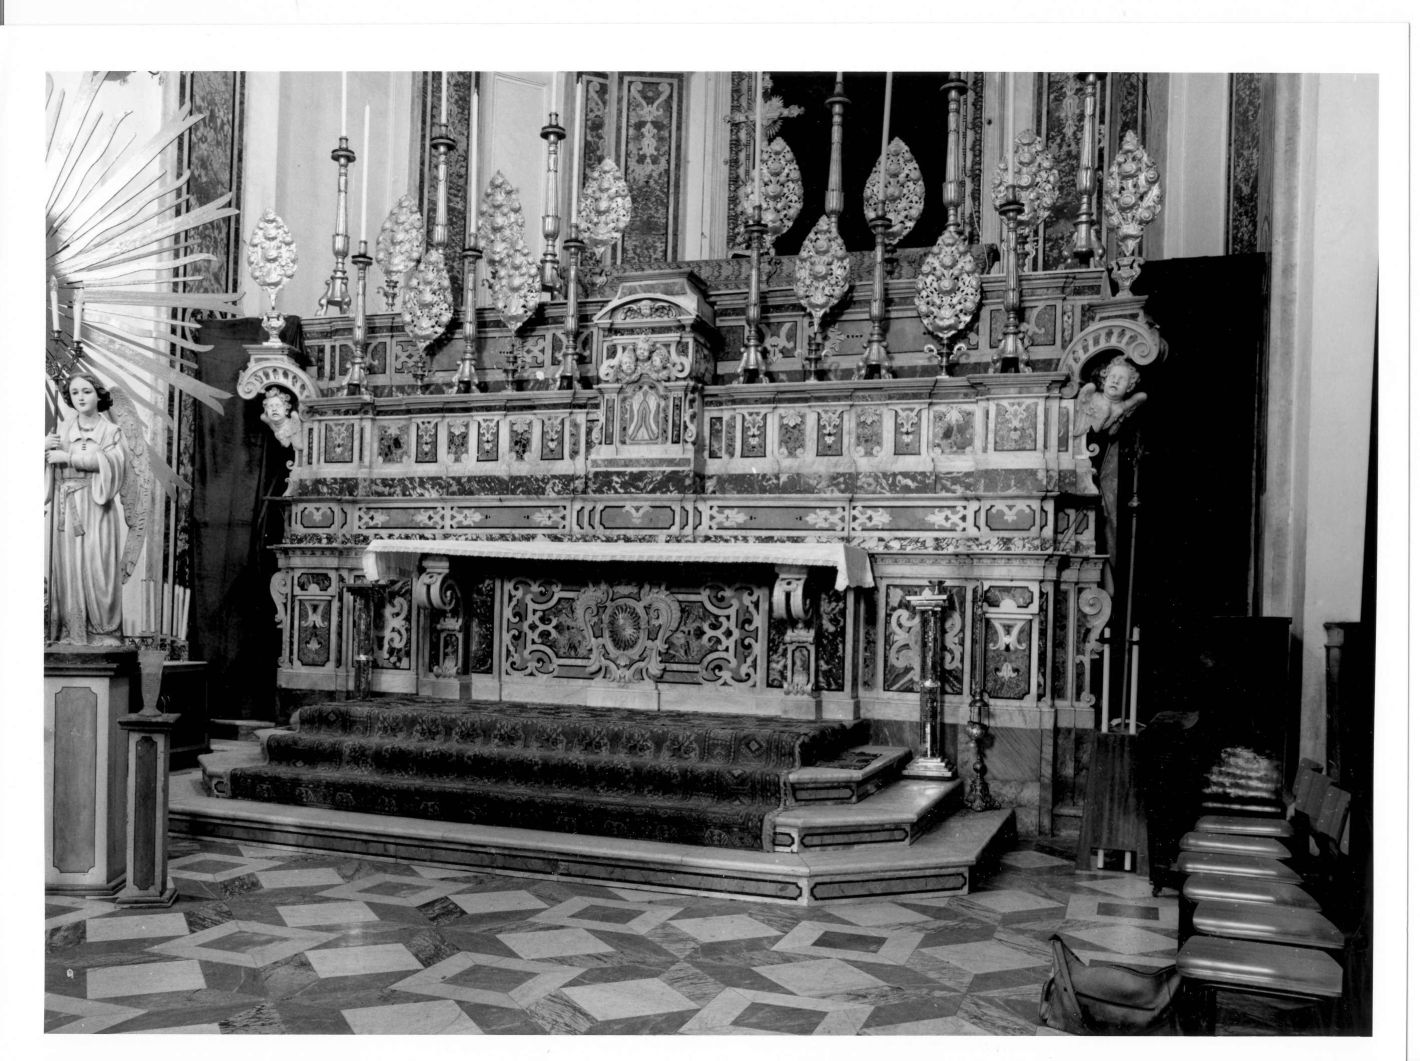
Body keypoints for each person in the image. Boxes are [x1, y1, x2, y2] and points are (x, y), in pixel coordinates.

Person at [45, 372, 127, 645]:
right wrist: (43, 450)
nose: (81, 397)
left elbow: (114, 463)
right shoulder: (61, 430)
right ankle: (71, 632)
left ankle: (102, 632)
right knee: (68, 567)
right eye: (75, 392)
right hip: (66, 508)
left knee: (97, 567)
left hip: (95, 505)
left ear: (99, 394)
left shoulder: (111, 431)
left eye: (87, 391)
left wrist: (69, 457)